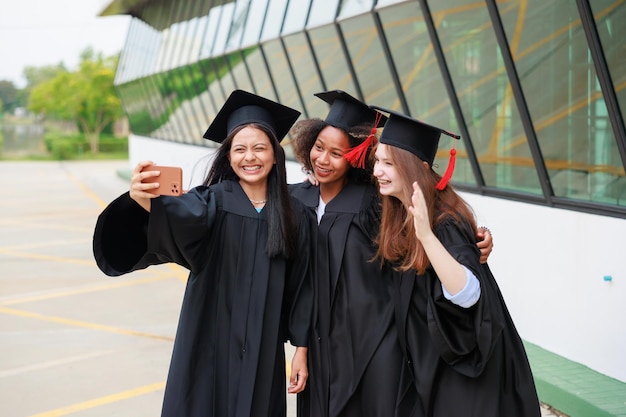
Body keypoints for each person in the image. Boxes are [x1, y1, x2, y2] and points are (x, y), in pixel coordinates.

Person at [92, 89, 312, 417]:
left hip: (264, 349)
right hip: (208, 342)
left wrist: (301, 350)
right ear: (228, 155)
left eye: (259, 148)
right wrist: (142, 199)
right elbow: (171, 216)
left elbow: (303, 287)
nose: (249, 157)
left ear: (275, 154)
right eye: (240, 149)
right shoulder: (209, 203)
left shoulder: (295, 215)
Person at [288, 90, 494, 417]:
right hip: (321, 344)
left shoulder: (378, 203)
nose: (324, 159)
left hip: (376, 342)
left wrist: (474, 241)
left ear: (357, 156)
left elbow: (431, 233)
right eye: (319, 147)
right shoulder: (295, 199)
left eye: (337, 153)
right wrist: (301, 346)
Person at [371, 106, 541, 417]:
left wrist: (426, 236)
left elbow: (468, 293)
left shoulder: (443, 222)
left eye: (387, 163)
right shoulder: (400, 212)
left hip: (465, 373)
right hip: (435, 366)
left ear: (416, 167)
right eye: (377, 161)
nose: (376, 171)